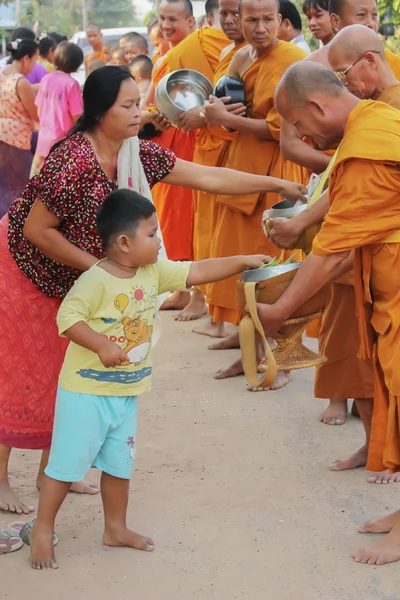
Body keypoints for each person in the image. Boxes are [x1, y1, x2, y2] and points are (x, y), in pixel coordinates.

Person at [0, 65, 307, 515]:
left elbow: (207, 177)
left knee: (67, 379)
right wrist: (104, 272)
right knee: (19, 378)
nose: (138, 111)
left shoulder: (134, 154)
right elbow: (35, 230)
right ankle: (1, 480)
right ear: (100, 112)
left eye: (137, 101)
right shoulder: (74, 161)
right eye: (126, 105)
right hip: (23, 271)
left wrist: (275, 183)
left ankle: (58, 473)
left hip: (78, 278)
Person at [29, 188, 271, 569]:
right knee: (65, 466)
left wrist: (241, 260)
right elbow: (68, 318)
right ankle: (43, 530)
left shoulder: (152, 272)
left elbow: (197, 270)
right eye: (153, 233)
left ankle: (116, 528)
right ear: (124, 242)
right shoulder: (96, 280)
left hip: (126, 392)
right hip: (86, 392)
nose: (161, 240)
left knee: (119, 463)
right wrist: (101, 345)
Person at [260, 59, 400, 566]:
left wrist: (278, 313)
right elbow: (340, 199)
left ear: (317, 105)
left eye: (298, 125)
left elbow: (336, 250)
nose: (302, 137)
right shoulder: (372, 122)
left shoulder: (368, 144)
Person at [203, 0, 307, 385]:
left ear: (280, 21)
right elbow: (234, 106)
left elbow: (282, 129)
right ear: (237, 20)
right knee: (242, 266)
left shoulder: (291, 59)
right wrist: (221, 115)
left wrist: (225, 120)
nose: (260, 27)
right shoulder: (242, 56)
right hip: (244, 169)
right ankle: (251, 350)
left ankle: (283, 358)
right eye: (251, 19)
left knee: (274, 270)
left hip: (277, 172)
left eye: (267, 19)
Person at [148, 0, 230, 313]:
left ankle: (198, 292)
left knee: (194, 217)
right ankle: (182, 288)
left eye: (173, 19)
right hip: (167, 142)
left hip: (195, 141)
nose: (166, 25)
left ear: (191, 22)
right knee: (171, 218)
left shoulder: (200, 48)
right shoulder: (162, 56)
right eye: (161, 19)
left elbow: (211, 94)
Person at [190, 0, 247, 335]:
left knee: (238, 242)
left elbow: (236, 110)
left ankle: (241, 324)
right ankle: (225, 319)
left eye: (235, 13)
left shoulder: (259, 56)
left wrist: (199, 116)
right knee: (216, 235)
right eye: (223, 14)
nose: (228, 21)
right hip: (218, 153)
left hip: (242, 157)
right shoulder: (229, 52)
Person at [31, 42, 84, 178]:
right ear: (77, 63)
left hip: (43, 141)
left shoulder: (46, 79)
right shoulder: (72, 84)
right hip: (62, 143)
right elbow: (77, 115)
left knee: (38, 181)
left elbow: (38, 109)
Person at [0, 38, 38, 218]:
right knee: (21, 187)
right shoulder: (21, 82)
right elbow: (34, 113)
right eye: (35, 60)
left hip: (2, 134)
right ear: (26, 59)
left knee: (5, 186)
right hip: (17, 138)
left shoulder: (3, 74)